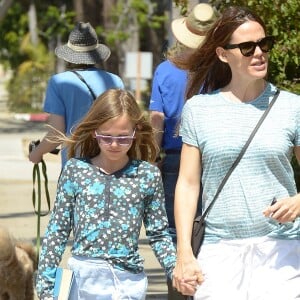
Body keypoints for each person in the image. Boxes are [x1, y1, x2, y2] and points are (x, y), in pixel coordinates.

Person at [171, 6, 300, 300]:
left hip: (282, 250)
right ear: (222, 54)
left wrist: (298, 201)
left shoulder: (292, 107)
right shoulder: (199, 110)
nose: (259, 53)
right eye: (247, 47)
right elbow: (188, 184)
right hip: (220, 251)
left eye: (264, 44)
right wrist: (184, 253)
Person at [35, 89, 194, 299]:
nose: (114, 144)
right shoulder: (75, 170)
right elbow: (58, 230)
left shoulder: (147, 175)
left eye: (123, 138)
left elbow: (158, 234)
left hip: (128, 283)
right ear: (94, 131)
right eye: (106, 137)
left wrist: (176, 269)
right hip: (82, 279)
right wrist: (45, 285)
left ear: (135, 132)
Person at [149, 4, 218, 299]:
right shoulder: (219, 70)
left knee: (177, 229)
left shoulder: (165, 70)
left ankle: (178, 290)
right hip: (213, 157)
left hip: (175, 158)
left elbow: (157, 119)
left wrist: (153, 155)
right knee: (210, 225)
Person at [29, 22, 124, 168]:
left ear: (69, 55)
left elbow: (56, 133)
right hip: (111, 164)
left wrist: (37, 153)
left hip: (75, 166)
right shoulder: (115, 81)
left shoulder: (58, 82)